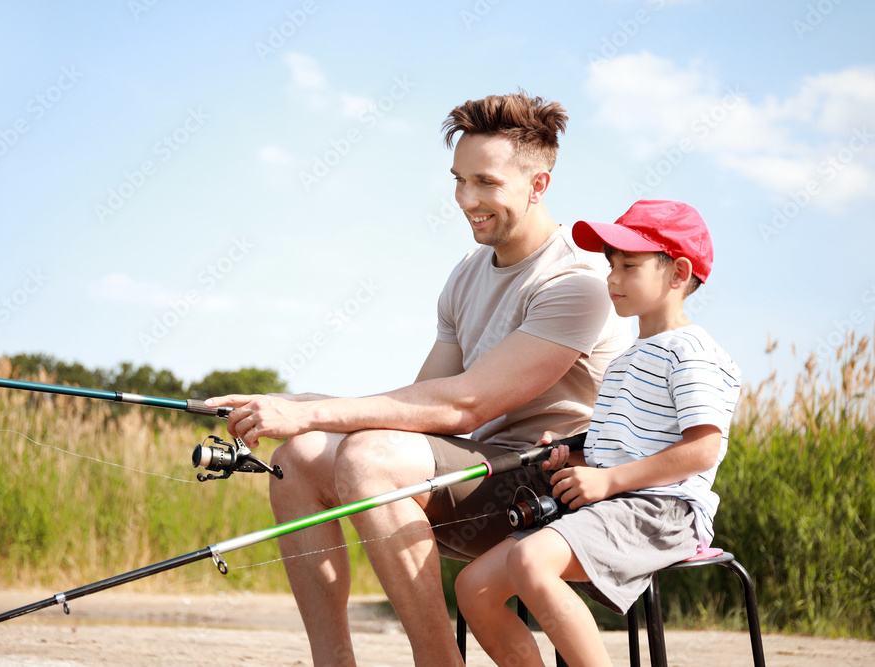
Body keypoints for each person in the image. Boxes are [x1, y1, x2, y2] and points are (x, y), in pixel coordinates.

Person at [206, 91, 633, 666]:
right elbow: (418, 405)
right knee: (299, 457)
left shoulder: (577, 281)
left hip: (552, 488)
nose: (466, 199)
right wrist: (297, 405)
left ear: (539, 186)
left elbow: (466, 407)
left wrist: (312, 410)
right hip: (478, 474)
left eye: (486, 182)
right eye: (458, 180)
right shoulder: (466, 274)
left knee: (369, 458)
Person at [454, 200, 742, 666]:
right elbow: (613, 450)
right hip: (611, 505)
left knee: (531, 562)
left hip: (662, 510)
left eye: (628, 266)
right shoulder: (627, 358)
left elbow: (703, 449)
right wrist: (575, 461)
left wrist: (608, 482)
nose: (612, 278)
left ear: (678, 273)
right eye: (610, 265)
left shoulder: (692, 351)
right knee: (474, 587)